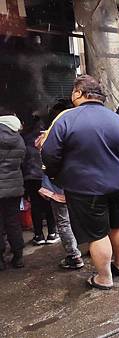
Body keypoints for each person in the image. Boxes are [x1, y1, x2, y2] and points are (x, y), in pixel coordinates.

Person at [41, 75, 119, 289]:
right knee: (117, 225)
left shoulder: (67, 119)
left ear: (78, 93)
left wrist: (57, 176)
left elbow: (49, 154)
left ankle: (104, 278)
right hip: (118, 184)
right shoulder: (117, 119)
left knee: (97, 234)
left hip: (86, 188)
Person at [35, 100, 84, 270]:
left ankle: (74, 256)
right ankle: (93, 248)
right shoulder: (82, 131)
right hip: (82, 184)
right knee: (83, 217)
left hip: (59, 185)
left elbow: (42, 151)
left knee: (63, 222)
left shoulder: (50, 134)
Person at [19, 112, 59, 246]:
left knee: (35, 205)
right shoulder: (48, 136)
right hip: (45, 175)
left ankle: (38, 235)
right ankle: (52, 232)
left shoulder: (23, 138)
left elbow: (22, 160)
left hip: (30, 177)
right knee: (48, 203)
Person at [0, 108, 26, 270]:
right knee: (13, 222)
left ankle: (0, 260)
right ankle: (18, 257)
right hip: (14, 188)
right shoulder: (18, 139)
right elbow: (22, 160)